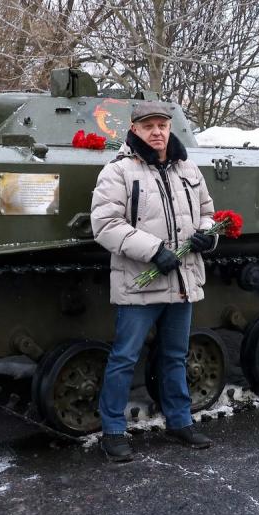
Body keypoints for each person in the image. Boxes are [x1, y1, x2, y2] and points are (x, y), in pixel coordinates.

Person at [90, 102, 218, 462]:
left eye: (162, 125)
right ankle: (113, 430)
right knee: (124, 357)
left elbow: (207, 212)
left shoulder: (187, 168)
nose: (157, 132)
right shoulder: (119, 171)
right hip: (140, 280)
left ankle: (179, 420)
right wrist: (154, 250)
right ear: (134, 129)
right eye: (149, 126)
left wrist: (208, 235)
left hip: (182, 278)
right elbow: (105, 225)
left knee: (175, 355)